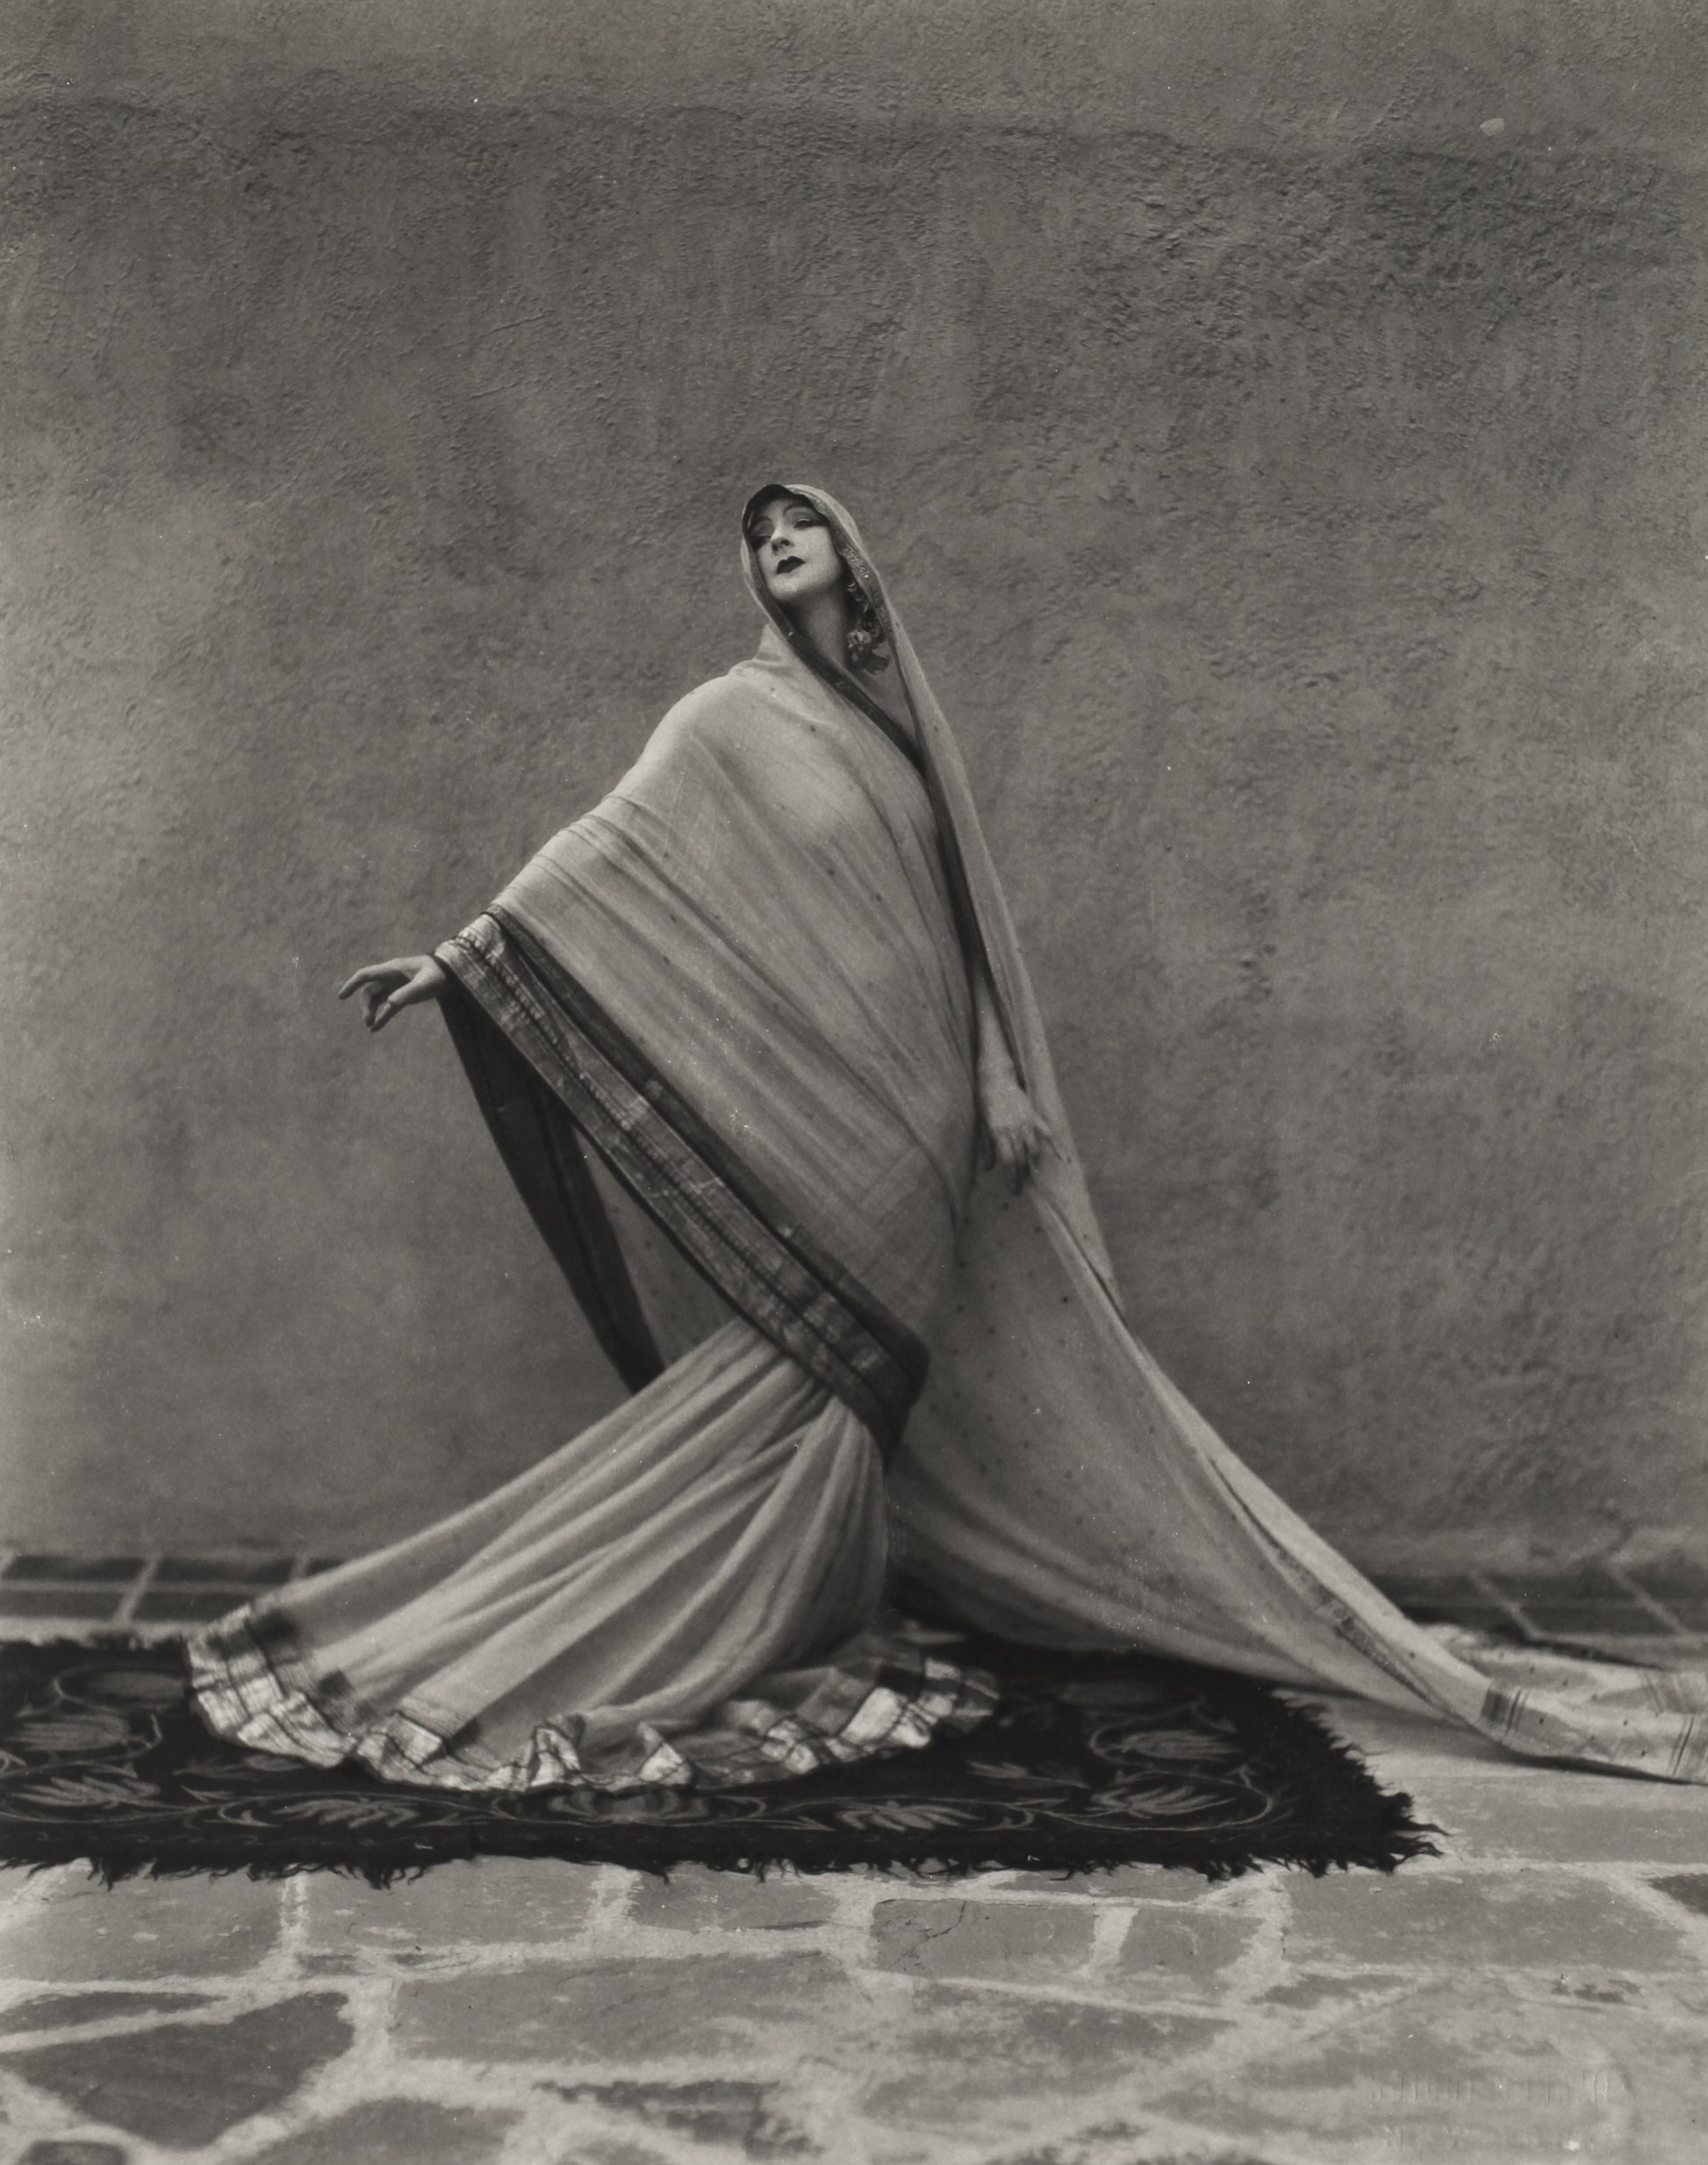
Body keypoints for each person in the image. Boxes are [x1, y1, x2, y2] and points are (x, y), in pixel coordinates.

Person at [189, 486, 1708, 1792]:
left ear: (852, 555)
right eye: (760, 534)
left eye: (802, 524)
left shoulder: (897, 730)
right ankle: (723, 1611)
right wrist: (459, 961)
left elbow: (962, 927)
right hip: (820, 1111)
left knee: (852, 1378)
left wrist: (995, 1078)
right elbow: (602, 853)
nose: (779, 542)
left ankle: (786, 1593)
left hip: (919, 1113)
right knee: (816, 1366)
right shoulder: (721, 717)